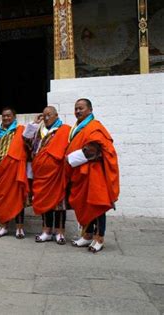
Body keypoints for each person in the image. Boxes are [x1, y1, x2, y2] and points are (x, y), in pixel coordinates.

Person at [67, 98, 119, 253]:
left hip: (94, 172)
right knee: (84, 203)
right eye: (76, 108)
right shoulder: (79, 127)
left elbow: (94, 150)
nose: (77, 111)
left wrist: (70, 159)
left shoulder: (94, 127)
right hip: (82, 174)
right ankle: (88, 235)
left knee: (97, 205)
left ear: (90, 110)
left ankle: (99, 238)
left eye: (81, 108)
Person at [23, 106, 71, 244]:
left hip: (57, 173)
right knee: (45, 202)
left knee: (59, 205)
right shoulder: (40, 131)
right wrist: (34, 123)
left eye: (49, 114)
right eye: (44, 115)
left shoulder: (64, 130)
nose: (46, 117)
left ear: (56, 115)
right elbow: (27, 142)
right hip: (41, 174)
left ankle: (60, 232)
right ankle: (46, 231)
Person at [0, 107, 29, 239]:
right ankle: (3, 226)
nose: (6, 118)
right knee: (1, 200)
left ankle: (19, 228)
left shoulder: (20, 131)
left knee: (17, 199)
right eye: (4, 116)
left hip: (14, 170)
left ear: (14, 117)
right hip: (0, 171)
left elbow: (28, 143)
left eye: (9, 116)